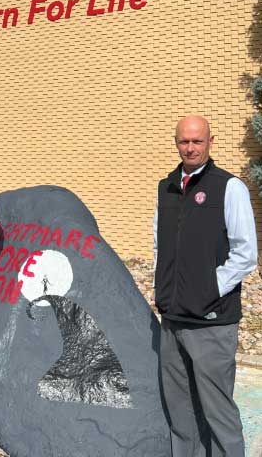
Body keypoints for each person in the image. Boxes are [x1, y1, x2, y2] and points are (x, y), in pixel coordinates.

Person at [154, 115, 258, 457]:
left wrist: (207, 289)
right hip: (172, 320)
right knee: (180, 412)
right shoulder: (166, 187)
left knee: (218, 413)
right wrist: (162, 287)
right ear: (176, 143)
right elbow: (159, 244)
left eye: (197, 141)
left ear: (210, 142)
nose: (190, 148)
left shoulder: (229, 187)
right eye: (184, 141)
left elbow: (246, 253)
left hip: (211, 322)